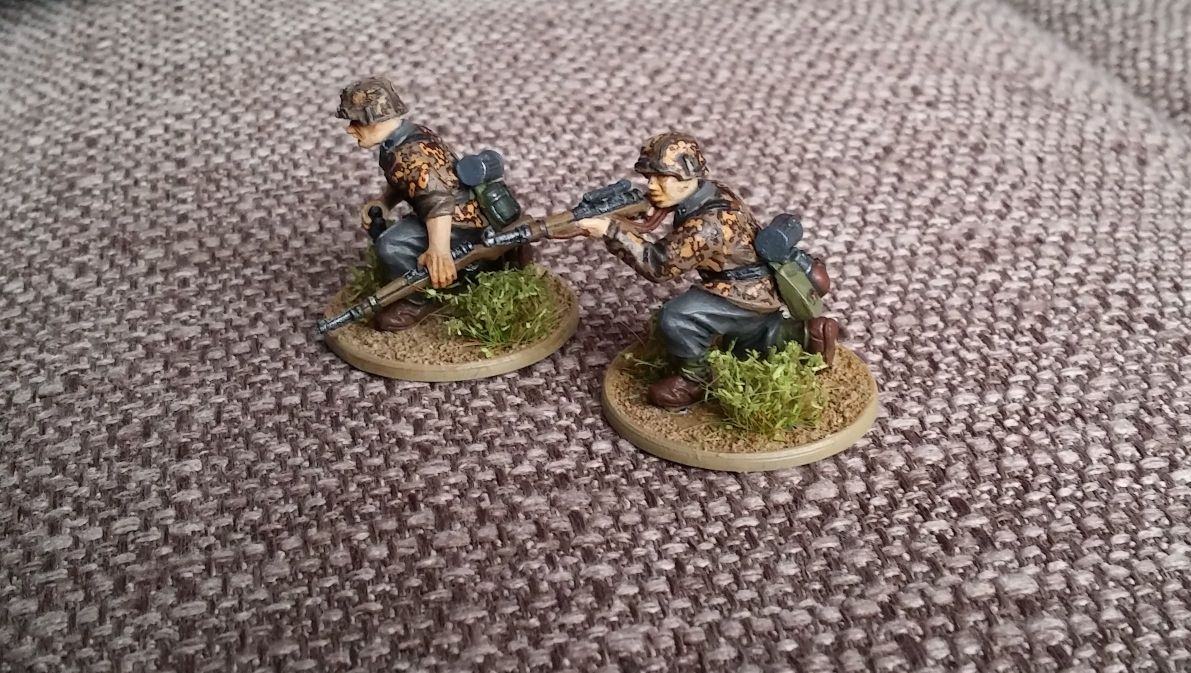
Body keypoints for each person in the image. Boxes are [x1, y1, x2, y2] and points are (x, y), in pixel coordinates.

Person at [575, 132, 838, 409]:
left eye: (661, 177)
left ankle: (693, 380)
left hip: (741, 292)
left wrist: (611, 231)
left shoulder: (706, 226)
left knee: (678, 317)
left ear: (687, 177)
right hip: (757, 285)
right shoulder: (715, 191)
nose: (651, 185)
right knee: (745, 340)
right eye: (649, 177)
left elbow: (659, 265)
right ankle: (805, 335)